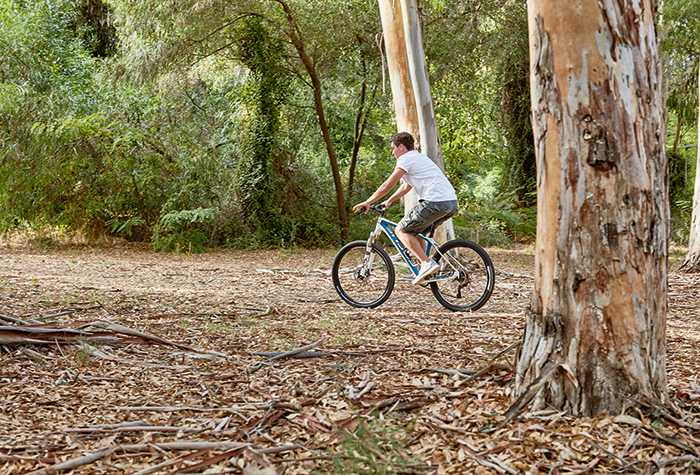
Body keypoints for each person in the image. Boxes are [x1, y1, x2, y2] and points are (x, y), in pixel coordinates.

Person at [353, 132, 458, 285]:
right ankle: (422, 268)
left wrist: (368, 202)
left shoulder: (405, 159)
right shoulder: (419, 157)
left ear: (401, 147)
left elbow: (386, 185)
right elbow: (406, 186)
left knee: (401, 230)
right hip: (450, 203)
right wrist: (389, 200)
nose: (392, 152)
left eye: (393, 148)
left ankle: (426, 263)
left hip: (434, 202)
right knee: (417, 232)